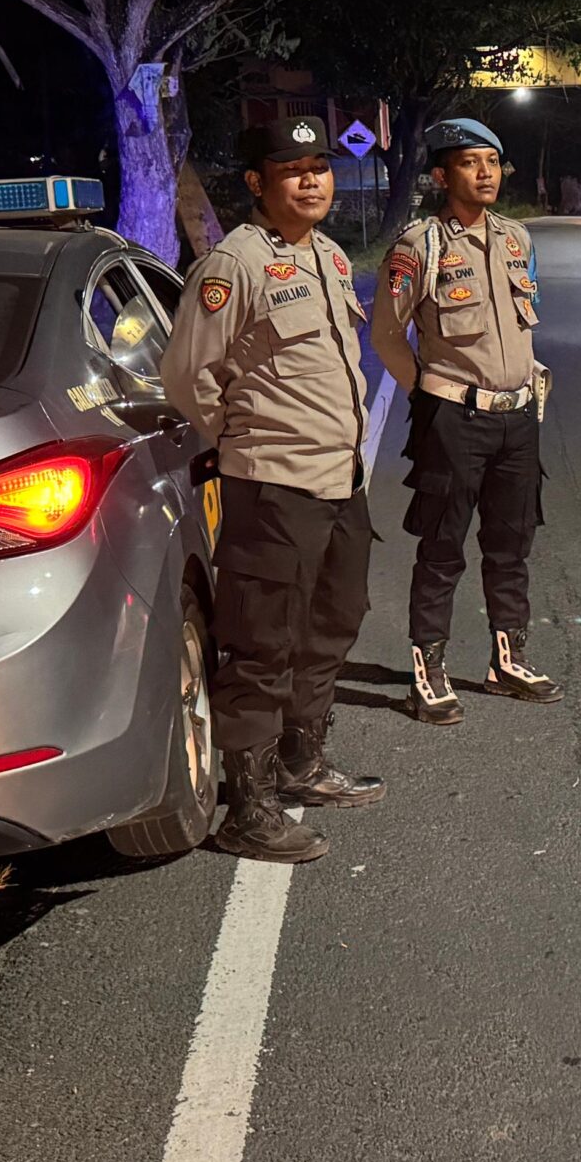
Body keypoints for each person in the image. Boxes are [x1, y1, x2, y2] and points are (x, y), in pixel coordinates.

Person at [165, 115, 385, 864]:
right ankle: (247, 806)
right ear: (257, 183)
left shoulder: (324, 253)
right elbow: (187, 376)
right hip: (273, 484)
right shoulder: (234, 267)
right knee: (261, 643)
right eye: (292, 169)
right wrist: (246, 438)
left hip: (338, 479)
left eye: (319, 165)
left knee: (333, 620)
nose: (312, 179)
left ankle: (302, 761)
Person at [372, 117, 562, 725]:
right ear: (440, 175)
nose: (485, 173)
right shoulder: (420, 246)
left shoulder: (517, 239)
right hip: (454, 417)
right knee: (443, 548)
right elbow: (386, 334)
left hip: (518, 418)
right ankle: (428, 672)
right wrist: (428, 396)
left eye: (493, 161)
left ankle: (507, 663)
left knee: (512, 544)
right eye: (470, 162)